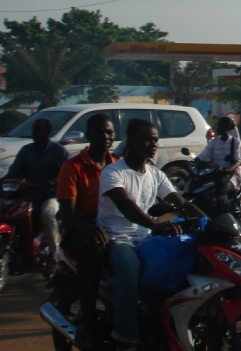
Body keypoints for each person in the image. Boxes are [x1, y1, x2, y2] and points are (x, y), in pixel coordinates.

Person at [98, 119, 205, 351]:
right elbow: (126, 205)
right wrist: (155, 224)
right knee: (128, 267)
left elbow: (181, 202)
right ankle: (125, 336)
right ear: (131, 141)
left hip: (145, 238)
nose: (153, 144)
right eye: (147, 139)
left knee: (182, 259)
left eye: (155, 139)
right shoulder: (113, 172)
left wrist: (209, 222)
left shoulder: (156, 174)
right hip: (118, 238)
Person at [56, 113, 116, 350]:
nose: (105, 137)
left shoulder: (118, 164)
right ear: (89, 135)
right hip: (81, 228)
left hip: (112, 226)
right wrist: (89, 230)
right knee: (94, 249)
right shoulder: (72, 167)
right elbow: (66, 215)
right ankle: (89, 320)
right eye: (100, 132)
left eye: (109, 132)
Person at [5, 117, 70, 271]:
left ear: (47, 132)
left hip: (51, 195)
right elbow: (13, 173)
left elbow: (66, 174)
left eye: (38, 131)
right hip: (29, 196)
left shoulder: (58, 151)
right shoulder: (26, 151)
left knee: (48, 213)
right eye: (34, 131)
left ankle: (55, 253)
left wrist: (49, 182)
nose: (35, 134)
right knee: (10, 212)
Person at [196, 116, 241, 215]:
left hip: (231, 175)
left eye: (220, 126)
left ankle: (224, 215)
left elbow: (239, 160)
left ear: (226, 128)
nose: (217, 128)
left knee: (221, 189)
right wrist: (192, 162)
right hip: (215, 173)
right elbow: (203, 156)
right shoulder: (214, 142)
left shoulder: (235, 142)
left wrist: (228, 169)